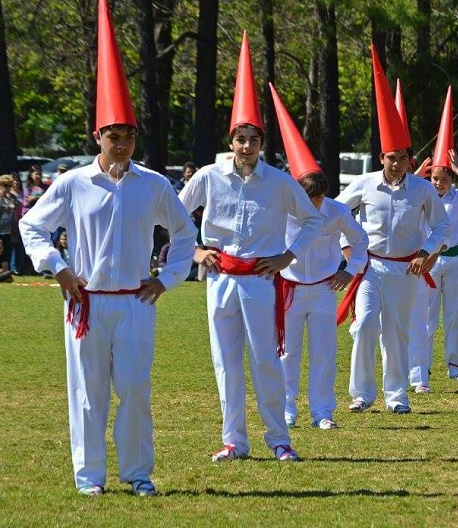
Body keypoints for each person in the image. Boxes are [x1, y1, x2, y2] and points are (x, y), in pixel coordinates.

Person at [18, 0, 197, 497]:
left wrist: (167, 276)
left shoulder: (154, 185)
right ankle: (89, 477)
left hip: (137, 301)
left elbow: (185, 234)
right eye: (113, 135)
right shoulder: (73, 183)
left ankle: (138, 473)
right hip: (88, 301)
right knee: (88, 395)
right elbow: (32, 226)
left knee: (136, 391)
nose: (121, 143)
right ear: (97, 135)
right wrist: (58, 268)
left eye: (129, 135)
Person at [179, 32, 322, 462]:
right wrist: (195, 252)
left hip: (260, 279)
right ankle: (233, 440)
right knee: (225, 363)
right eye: (240, 139)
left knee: (265, 360)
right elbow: (174, 215)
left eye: (253, 140)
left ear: (263, 143)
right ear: (231, 140)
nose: (246, 147)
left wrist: (287, 256)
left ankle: (278, 437)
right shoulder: (208, 176)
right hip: (220, 278)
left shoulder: (279, 182)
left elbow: (312, 220)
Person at [336, 44, 450, 415]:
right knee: (367, 322)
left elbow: (443, 224)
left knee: (398, 332)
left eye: (403, 157)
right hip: (370, 265)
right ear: (382, 156)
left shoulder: (422, 188)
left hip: (407, 267)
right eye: (391, 157)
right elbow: (337, 211)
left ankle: (397, 395)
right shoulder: (366, 183)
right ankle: (362, 393)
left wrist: (426, 252)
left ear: (410, 158)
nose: (398, 163)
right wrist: (345, 245)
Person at [268, 84, 368, 430]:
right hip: (291, 289)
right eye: (308, 199)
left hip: (325, 288)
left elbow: (360, 238)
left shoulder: (337, 211)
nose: (314, 206)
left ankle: (322, 412)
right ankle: (287, 410)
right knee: (287, 352)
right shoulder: (281, 211)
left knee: (324, 353)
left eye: (319, 198)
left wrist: (350, 270)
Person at [411, 87, 458, 387]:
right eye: (435, 178)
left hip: (454, 261)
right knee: (426, 318)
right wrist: (422, 168)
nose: (439, 183)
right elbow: (407, 186)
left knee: (453, 316)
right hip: (429, 262)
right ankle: (423, 369)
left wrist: (457, 169)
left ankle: (453, 364)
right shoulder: (422, 195)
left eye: (444, 179)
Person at [0, 174, 21, 282]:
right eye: (5, 185)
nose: (8, 188)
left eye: (9, 185)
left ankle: (4, 274)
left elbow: (18, 206)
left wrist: (12, 200)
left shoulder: (10, 198)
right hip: (0, 232)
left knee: (6, 254)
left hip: (8, 231)